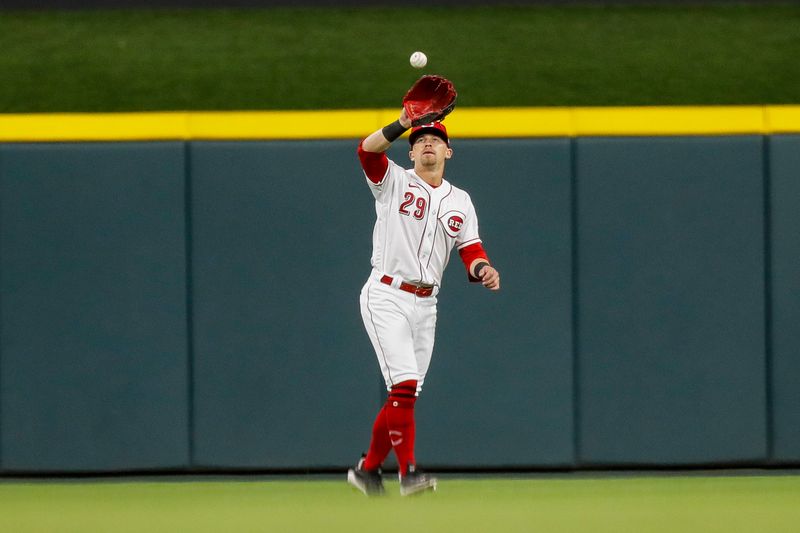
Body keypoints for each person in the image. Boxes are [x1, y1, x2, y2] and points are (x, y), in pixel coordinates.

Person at [346, 107, 500, 497]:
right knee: (405, 385)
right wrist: (402, 122)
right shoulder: (393, 181)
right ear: (410, 153)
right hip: (386, 294)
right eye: (419, 141)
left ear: (449, 152)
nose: (427, 143)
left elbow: (470, 247)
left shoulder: (461, 200)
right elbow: (366, 151)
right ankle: (407, 473)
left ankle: (366, 471)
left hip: (426, 305)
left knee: (406, 393)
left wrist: (483, 268)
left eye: (435, 139)